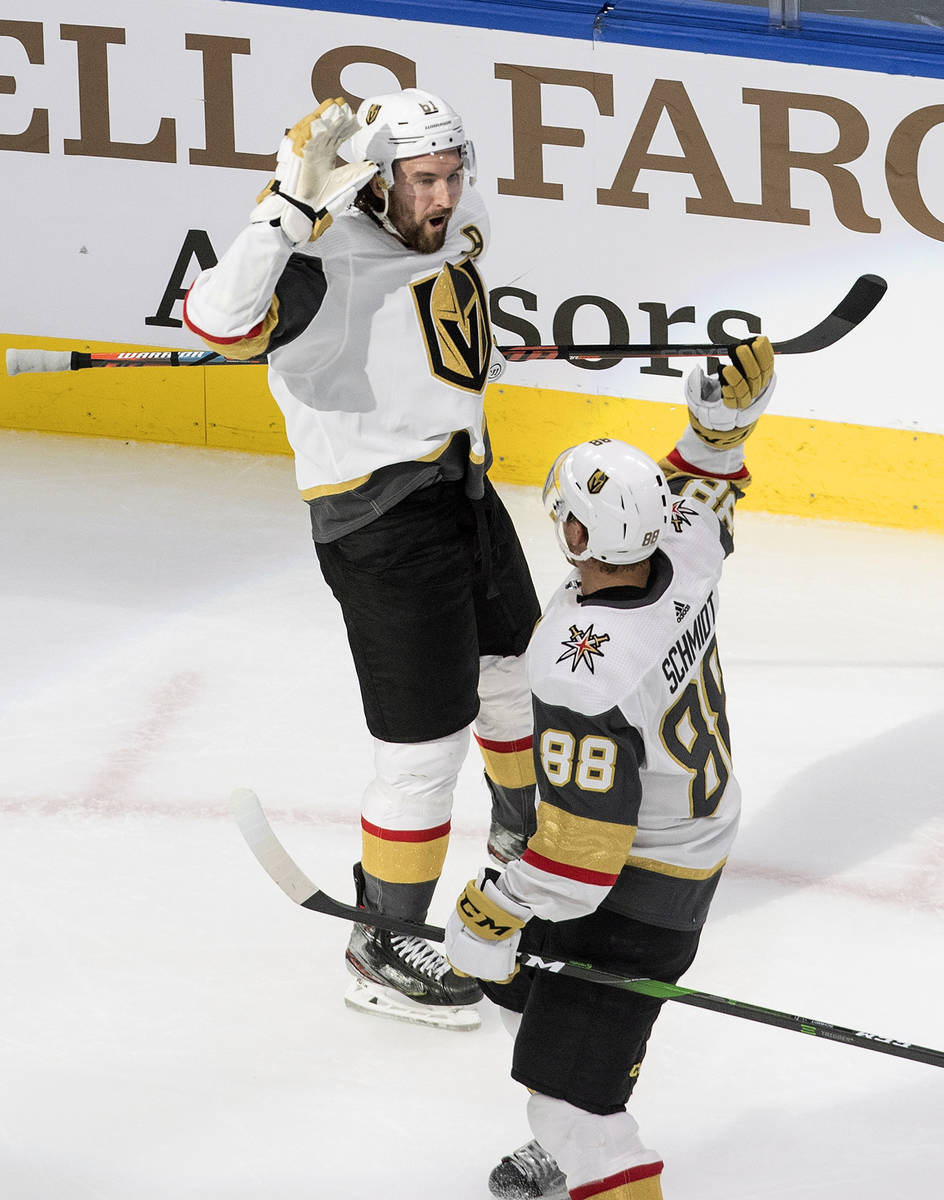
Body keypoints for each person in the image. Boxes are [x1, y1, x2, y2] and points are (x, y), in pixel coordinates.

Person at [184, 89, 541, 1031]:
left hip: (465, 490)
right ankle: (382, 944)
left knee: (519, 686)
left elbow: (442, 317)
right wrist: (285, 206)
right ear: (375, 183)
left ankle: (524, 852)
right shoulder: (318, 259)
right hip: (381, 528)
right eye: (424, 180)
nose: (445, 196)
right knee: (425, 754)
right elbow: (218, 322)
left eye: (455, 175)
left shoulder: (453, 228)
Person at [444, 337, 775, 1195]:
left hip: (639, 885)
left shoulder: (579, 663)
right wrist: (720, 426)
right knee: (525, 987)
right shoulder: (689, 550)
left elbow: (583, 854)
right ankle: (582, 1110)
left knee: (566, 1104)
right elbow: (706, 481)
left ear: (579, 531)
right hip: (687, 827)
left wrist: (500, 906)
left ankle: (580, 1135)